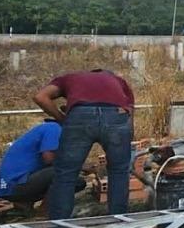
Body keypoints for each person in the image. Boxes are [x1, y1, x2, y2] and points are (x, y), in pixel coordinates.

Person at [35, 67, 136, 219]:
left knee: (66, 174)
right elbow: (129, 113)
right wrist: (126, 139)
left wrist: (62, 118)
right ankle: (120, 225)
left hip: (80, 114)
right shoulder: (118, 81)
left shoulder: (70, 77)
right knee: (119, 172)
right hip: (115, 116)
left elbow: (40, 97)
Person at [0, 118, 63, 207]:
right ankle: (46, 211)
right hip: (14, 185)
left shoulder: (45, 128)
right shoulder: (54, 128)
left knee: (68, 174)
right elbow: (49, 158)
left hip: (7, 187)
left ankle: (25, 206)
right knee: (65, 172)